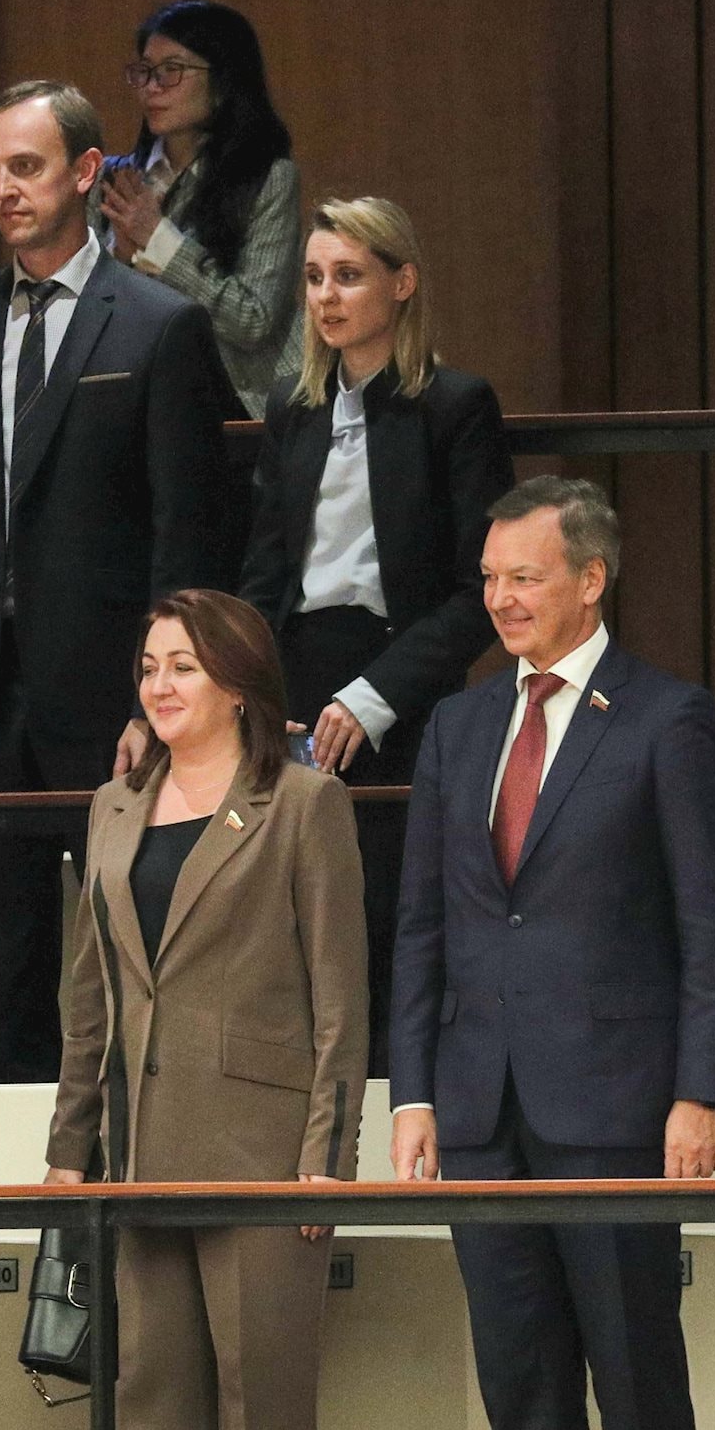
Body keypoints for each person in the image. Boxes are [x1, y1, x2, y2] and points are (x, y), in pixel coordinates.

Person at [389, 476, 715, 1430]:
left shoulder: (666, 717)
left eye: (525, 577)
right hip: (478, 1110)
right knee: (518, 1390)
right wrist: (413, 1092)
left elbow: (713, 925)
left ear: (591, 580)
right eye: (490, 578)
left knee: (636, 1383)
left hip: (614, 1106)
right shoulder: (457, 725)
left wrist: (703, 1091)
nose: (500, 599)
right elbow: (422, 924)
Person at [0, 79, 238, 1083]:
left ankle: (129, 1162)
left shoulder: (158, 325)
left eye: (27, 167)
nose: (5, 190)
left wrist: (159, 696)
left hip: (113, 698)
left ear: (88, 171)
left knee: (132, 944)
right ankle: (14, 1170)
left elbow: (188, 534)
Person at [46, 589, 365, 1430]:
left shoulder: (304, 803)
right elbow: (89, 996)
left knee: (261, 1411)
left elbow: (340, 999)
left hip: (263, 1158)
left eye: (184, 666)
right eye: (150, 668)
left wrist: (326, 1159)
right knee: (149, 1405)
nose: (161, 685)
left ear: (237, 683)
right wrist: (70, 1149)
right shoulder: (113, 807)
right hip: (137, 1156)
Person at [233, 194, 514, 1066]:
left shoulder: (454, 406)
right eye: (315, 278)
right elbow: (265, 573)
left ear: (402, 283)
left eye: (349, 276)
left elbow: (478, 591)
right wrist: (254, 692)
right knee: (287, 917)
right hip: (297, 674)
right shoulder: (294, 407)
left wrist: (376, 696)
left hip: (400, 683)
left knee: (391, 909)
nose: (326, 296)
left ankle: (404, 1092)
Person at [98, 0, 303, 416]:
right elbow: (87, 318)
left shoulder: (268, 179)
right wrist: (118, 258)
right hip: (138, 397)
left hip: (241, 404)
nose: (152, 87)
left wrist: (159, 241)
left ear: (223, 81)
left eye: (171, 70)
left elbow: (253, 321)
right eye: (145, 71)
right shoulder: (111, 180)